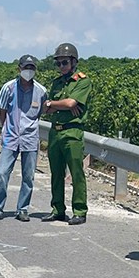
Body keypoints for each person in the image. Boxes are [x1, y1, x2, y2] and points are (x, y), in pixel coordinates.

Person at [0, 55, 48, 222]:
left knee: (28, 176)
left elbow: (40, 113)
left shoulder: (41, 91)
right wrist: (7, 128)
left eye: (32, 68)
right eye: (26, 67)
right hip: (11, 137)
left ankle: (23, 209)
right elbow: (2, 111)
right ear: (19, 68)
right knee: (2, 172)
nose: (28, 71)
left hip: (30, 138)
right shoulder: (8, 88)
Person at [42, 42, 93, 225]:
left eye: (64, 63)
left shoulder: (82, 80)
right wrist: (59, 104)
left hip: (72, 131)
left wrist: (54, 104)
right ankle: (57, 209)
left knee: (76, 173)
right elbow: (45, 109)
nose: (61, 67)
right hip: (55, 132)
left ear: (73, 62)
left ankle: (79, 210)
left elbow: (71, 103)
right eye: (58, 63)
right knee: (56, 173)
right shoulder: (56, 83)